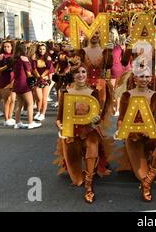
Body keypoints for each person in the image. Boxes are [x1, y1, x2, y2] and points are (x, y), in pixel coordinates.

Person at [55, 59, 112, 204]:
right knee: (76, 180)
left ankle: (89, 185)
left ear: (86, 75)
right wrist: (60, 127)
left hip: (88, 131)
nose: (80, 75)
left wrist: (96, 119)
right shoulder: (65, 92)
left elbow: (97, 119)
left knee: (92, 145)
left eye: (83, 72)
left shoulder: (93, 92)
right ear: (73, 76)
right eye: (77, 72)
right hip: (71, 134)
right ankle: (83, 178)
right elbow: (59, 118)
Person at [115, 67, 156, 202]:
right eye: (141, 76)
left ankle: (147, 185)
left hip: (150, 137)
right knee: (140, 175)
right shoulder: (127, 95)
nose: (144, 80)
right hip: (134, 137)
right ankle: (145, 177)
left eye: (147, 76)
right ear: (134, 78)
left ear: (151, 78)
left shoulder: (155, 95)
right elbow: (121, 118)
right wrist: (119, 130)